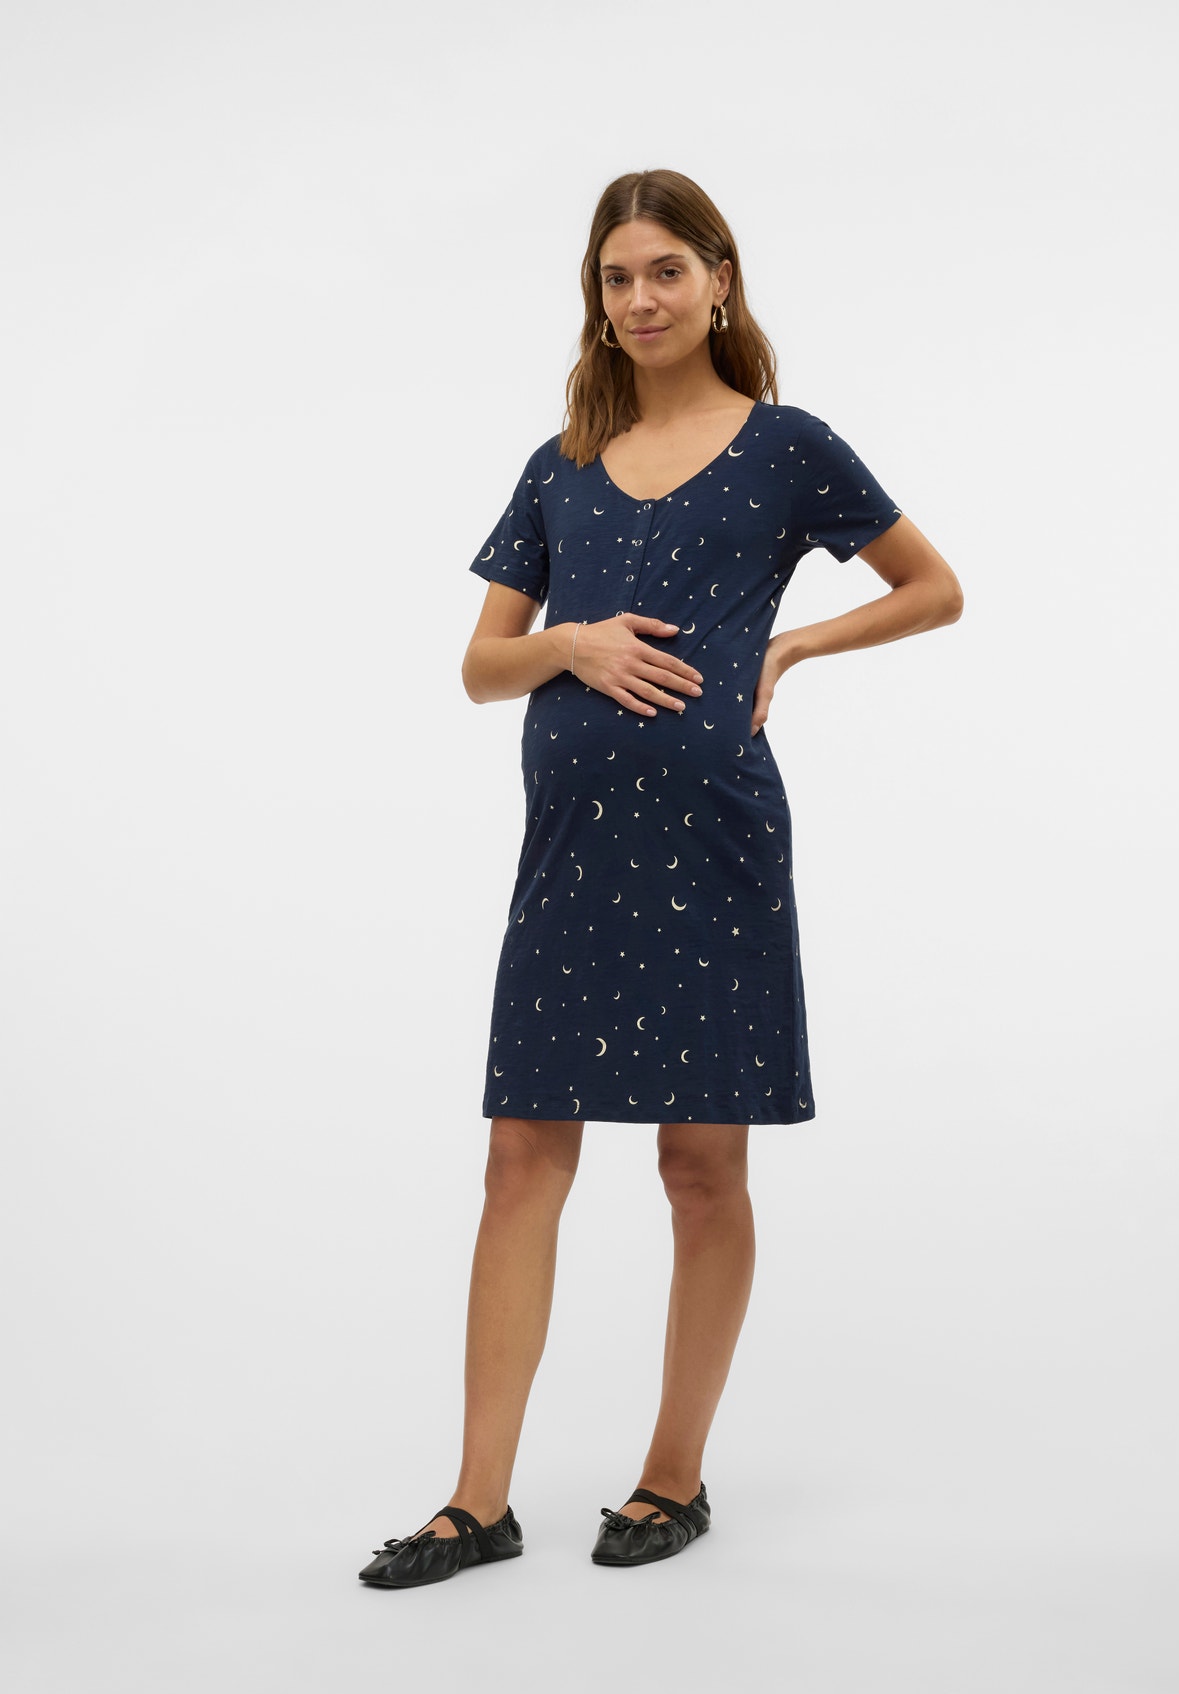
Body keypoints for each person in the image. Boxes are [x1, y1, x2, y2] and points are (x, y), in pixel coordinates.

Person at [358, 168, 963, 1590]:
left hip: (715, 847)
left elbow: (933, 586)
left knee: (700, 1165)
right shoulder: (561, 460)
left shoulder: (789, 446)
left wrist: (795, 644)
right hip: (570, 857)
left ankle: (673, 1477)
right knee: (521, 1157)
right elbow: (479, 668)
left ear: (719, 280)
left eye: (665, 273)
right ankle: (477, 1504)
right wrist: (569, 645)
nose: (639, 300)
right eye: (616, 278)